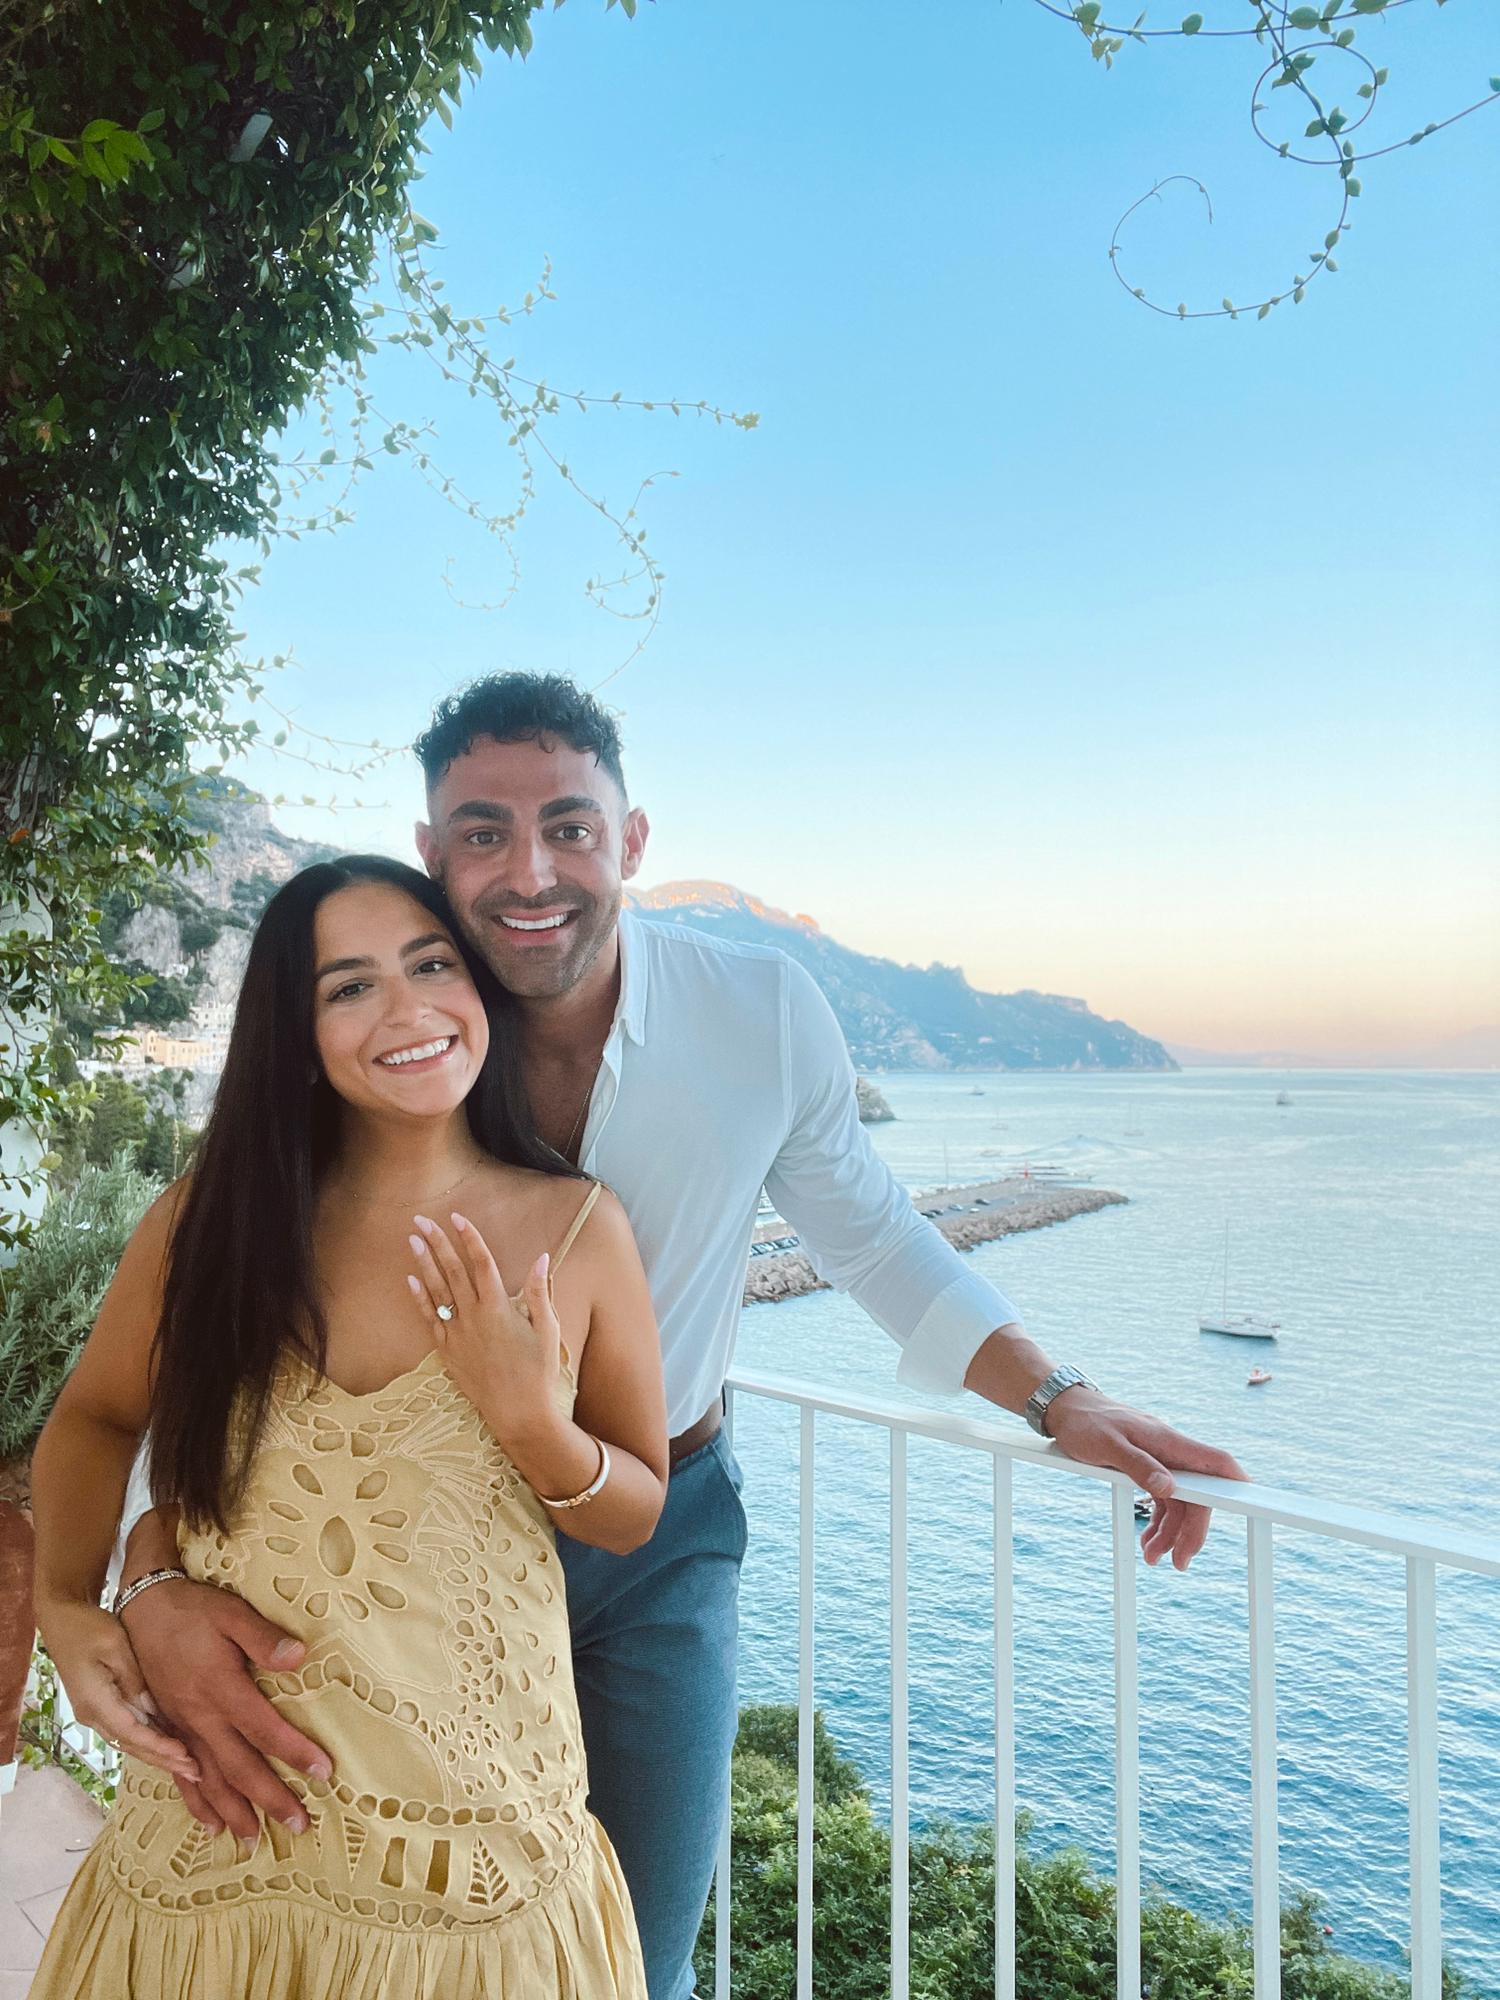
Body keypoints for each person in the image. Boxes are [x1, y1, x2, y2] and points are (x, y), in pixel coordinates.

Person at [110, 675, 1248, 2000]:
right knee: (384, 1924)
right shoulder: (398, 1013)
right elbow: (224, 1309)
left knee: (635, 1957)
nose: (530, 873)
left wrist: (1058, 1397)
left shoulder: (758, 1012)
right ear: (433, 851)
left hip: (658, 1531)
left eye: (569, 827)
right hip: (415, 1540)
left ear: (631, 839)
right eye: (482, 833)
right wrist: (147, 1564)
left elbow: (876, 1238)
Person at [29, 855, 668, 1998]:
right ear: (298, 1033)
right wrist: (68, 1605)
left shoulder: (578, 1229)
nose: (409, 1009)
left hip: (470, 1866)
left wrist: (536, 1426)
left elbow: (636, 1508)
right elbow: (96, 1415)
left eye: (432, 964)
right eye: (351, 986)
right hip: (215, 1847)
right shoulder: (208, 1221)